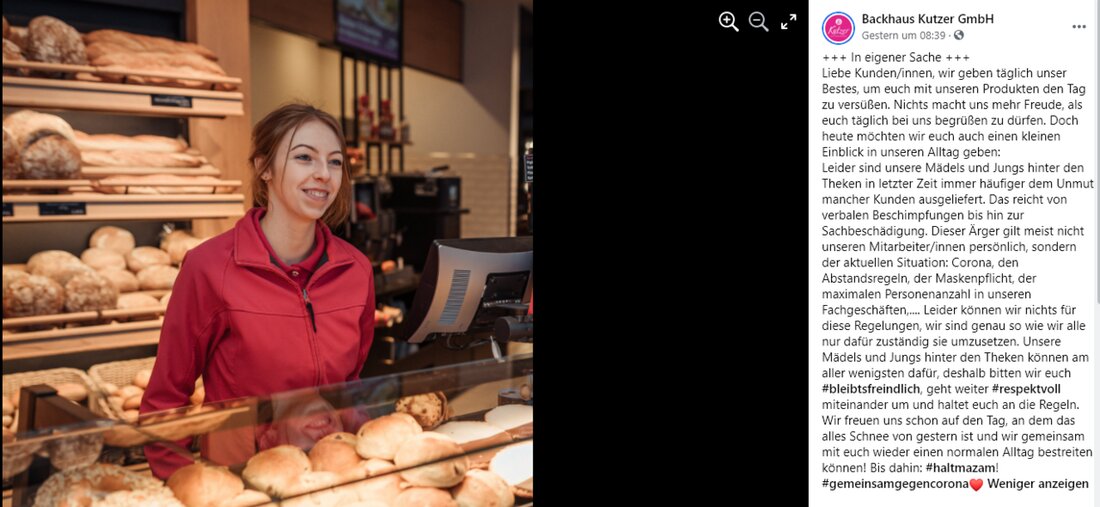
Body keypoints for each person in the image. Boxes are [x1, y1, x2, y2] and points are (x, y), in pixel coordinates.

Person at [140, 103, 376, 480]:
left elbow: (348, 385)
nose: (323, 175)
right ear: (264, 168)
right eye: (304, 157)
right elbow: (165, 399)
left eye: (335, 162)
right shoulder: (210, 267)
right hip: (242, 476)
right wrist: (183, 483)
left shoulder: (356, 269)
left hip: (332, 474)